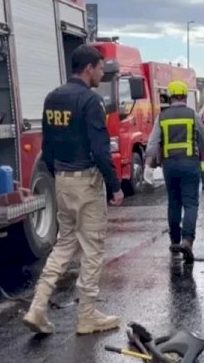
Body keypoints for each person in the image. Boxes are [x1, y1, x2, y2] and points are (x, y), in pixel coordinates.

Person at [22, 45, 124, 335]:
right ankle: (87, 314)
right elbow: (100, 149)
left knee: (64, 243)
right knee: (92, 248)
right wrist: (115, 186)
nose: (102, 74)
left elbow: (48, 144)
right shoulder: (90, 101)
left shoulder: (52, 98)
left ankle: (37, 307)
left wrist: (56, 176)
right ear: (89, 68)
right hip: (86, 182)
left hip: (63, 179)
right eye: (101, 68)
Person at [144, 80, 204, 264]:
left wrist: (148, 165)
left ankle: (174, 241)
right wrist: (203, 150)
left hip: (170, 166)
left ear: (170, 97)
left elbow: (153, 142)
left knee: (174, 203)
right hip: (190, 164)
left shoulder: (162, 117)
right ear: (185, 97)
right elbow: (202, 137)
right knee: (191, 204)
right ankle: (187, 240)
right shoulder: (192, 115)